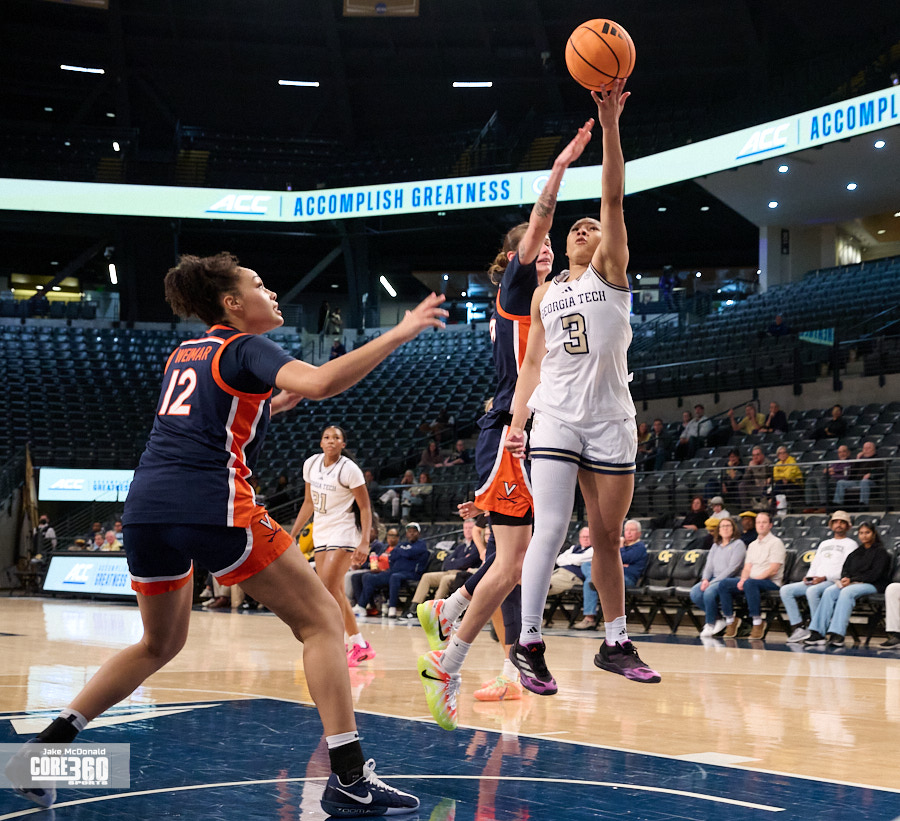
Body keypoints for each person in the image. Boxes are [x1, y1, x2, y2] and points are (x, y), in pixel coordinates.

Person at [4, 252, 444, 814]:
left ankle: (43, 752)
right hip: (211, 504)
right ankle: (350, 779)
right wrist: (401, 332)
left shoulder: (185, 353)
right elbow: (320, 382)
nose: (272, 292)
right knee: (322, 621)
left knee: (158, 643)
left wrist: (272, 405)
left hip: (145, 510)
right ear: (232, 303)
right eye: (259, 284)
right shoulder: (245, 346)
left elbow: (214, 416)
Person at [415, 114, 596, 730]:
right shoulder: (519, 288)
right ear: (517, 255)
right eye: (534, 244)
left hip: (538, 431)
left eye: (547, 246)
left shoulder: (556, 297)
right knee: (513, 561)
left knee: (516, 561)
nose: (544, 248)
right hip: (512, 429)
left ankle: (450, 621)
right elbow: (542, 221)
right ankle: (453, 650)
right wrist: (561, 167)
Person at [501, 78, 659, 695]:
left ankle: (615, 642)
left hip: (611, 417)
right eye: (577, 227)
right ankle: (529, 642)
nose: (584, 227)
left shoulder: (611, 273)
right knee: (549, 527)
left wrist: (611, 124)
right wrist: (517, 424)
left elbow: (612, 195)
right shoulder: (544, 292)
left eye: (592, 226)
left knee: (608, 536)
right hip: (558, 416)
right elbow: (531, 367)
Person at [290, 426, 375, 668]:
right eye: (326, 437)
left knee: (327, 588)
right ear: (321, 442)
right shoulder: (311, 464)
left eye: (336, 438)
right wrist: (292, 534)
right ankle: (358, 644)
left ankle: (337, 643)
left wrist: (364, 542)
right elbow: (309, 502)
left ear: (343, 444)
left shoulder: (349, 469)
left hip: (345, 530)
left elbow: (365, 507)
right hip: (322, 529)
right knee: (334, 589)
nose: (331, 441)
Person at [804, 521, 891, 647]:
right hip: (853, 583)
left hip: (873, 584)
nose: (864, 535)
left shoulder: (881, 552)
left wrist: (853, 579)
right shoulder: (857, 552)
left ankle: (837, 634)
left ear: (873, 534)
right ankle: (818, 632)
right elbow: (845, 569)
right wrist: (845, 578)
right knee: (829, 591)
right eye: (861, 533)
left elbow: (875, 574)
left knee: (846, 592)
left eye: (867, 532)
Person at [780, 510, 857, 643]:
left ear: (848, 526)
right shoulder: (824, 543)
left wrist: (824, 578)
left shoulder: (851, 544)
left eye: (842, 522)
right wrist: (809, 577)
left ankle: (818, 630)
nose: (838, 524)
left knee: (812, 591)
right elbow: (815, 564)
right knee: (786, 590)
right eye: (836, 522)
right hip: (817, 581)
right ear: (831, 525)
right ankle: (799, 627)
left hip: (833, 581)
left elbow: (847, 569)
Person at [717, 511, 786, 639]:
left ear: (770, 525)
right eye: (758, 522)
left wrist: (750, 580)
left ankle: (757, 622)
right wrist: (743, 580)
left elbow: (773, 570)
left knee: (750, 583)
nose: (761, 525)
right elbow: (747, 567)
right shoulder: (753, 545)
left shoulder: (776, 543)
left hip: (771, 582)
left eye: (764, 522)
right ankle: (730, 621)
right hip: (752, 582)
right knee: (725, 584)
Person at [403, 519, 480, 616]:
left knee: (445, 579)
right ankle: (414, 608)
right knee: (426, 577)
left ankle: (434, 610)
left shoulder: (477, 546)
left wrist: (455, 561)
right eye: (465, 528)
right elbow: (447, 562)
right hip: (449, 571)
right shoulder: (460, 547)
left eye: (470, 528)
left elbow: (468, 562)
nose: (467, 530)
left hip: (463, 574)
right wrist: (459, 561)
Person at [356, 522, 428, 618]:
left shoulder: (421, 545)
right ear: (406, 534)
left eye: (414, 531)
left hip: (412, 574)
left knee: (395, 577)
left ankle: (392, 607)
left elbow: (409, 553)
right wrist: (405, 551)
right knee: (368, 577)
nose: (411, 533)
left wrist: (403, 551)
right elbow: (393, 555)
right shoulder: (403, 544)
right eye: (409, 531)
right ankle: (362, 606)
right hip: (394, 572)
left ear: (419, 533)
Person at [690, 516, 746, 636]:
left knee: (709, 591)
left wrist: (712, 582)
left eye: (728, 526)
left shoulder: (739, 544)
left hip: (730, 579)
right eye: (722, 526)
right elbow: (709, 565)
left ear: (733, 528)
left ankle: (709, 623)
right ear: (718, 530)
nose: (725, 528)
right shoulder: (715, 545)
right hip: (713, 578)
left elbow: (733, 568)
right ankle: (718, 619)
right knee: (695, 592)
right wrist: (705, 579)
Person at [834, 440, 882, 508]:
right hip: (858, 481)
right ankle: (837, 505)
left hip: (871, 482)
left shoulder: (878, 459)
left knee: (864, 482)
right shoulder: (860, 459)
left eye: (868, 448)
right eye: (864, 448)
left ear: (874, 449)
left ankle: (863, 504)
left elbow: (881, 471)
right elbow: (852, 472)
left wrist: (871, 475)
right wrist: (857, 460)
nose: (866, 450)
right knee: (841, 482)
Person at [805, 445, 852, 511]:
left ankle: (824, 505)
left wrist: (834, 472)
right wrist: (829, 471)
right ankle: (809, 505)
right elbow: (826, 470)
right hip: (830, 479)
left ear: (848, 452)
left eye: (844, 451)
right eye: (839, 452)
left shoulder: (850, 462)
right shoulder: (836, 462)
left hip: (838, 481)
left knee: (822, 481)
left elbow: (846, 476)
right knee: (810, 481)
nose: (842, 454)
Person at [770, 445, 804, 512]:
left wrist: (781, 475)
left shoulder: (792, 461)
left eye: (784, 453)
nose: (782, 455)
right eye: (780, 453)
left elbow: (788, 476)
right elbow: (775, 476)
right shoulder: (778, 464)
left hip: (795, 484)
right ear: (778, 456)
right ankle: (773, 503)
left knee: (778, 484)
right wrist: (783, 477)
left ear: (787, 454)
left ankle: (771, 503)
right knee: (777, 484)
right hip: (783, 484)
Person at [739, 446, 770, 511]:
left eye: (757, 455)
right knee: (742, 485)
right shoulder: (752, 464)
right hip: (756, 487)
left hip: (765, 487)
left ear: (762, 455)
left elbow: (764, 475)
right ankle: (746, 510)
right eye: (753, 455)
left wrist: (754, 467)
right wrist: (749, 468)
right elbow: (745, 478)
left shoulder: (767, 463)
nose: (755, 457)